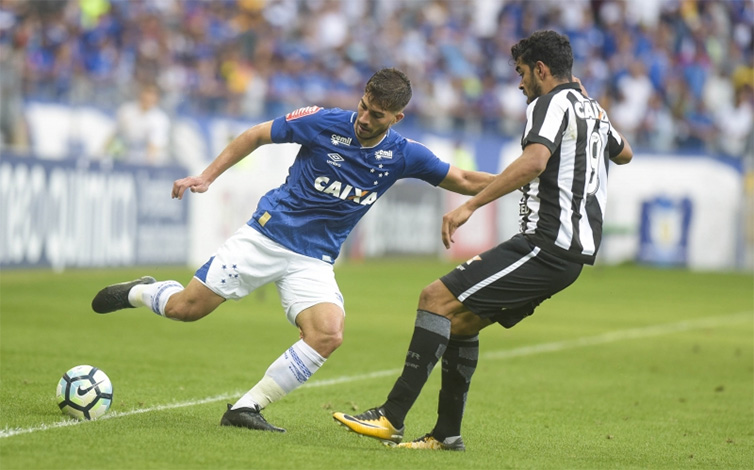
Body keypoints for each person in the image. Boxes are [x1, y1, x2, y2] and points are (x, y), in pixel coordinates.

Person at [91, 68, 494, 432]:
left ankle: (246, 408)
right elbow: (255, 134)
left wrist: (526, 178)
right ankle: (141, 290)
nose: (364, 118)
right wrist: (207, 176)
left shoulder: (403, 155)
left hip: (313, 260)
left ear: (397, 118)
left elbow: (461, 177)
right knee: (186, 309)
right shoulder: (322, 121)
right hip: (266, 236)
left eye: (376, 115)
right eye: (363, 107)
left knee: (328, 333)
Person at [332, 31, 633, 451]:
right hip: (568, 252)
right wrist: (590, 114)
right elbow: (624, 154)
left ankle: (390, 416)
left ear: (541, 70)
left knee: (434, 298)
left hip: (548, 244)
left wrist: (469, 206)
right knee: (461, 320)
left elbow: (534, 161)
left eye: (522, 72)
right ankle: (446, 434)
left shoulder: (548, 104)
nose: (520, 82)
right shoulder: (593, 109)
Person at [105, 83, 171, 165]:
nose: (148, 98)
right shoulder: (126, 110)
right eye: (147, 93)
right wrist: (104, 154)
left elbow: (154, 147)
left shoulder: (160, 119)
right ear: (141, 94)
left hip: (148, 158)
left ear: (157, 99)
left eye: (152, 95)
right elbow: (114, 134)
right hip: (125, 152)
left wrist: (147, 166)